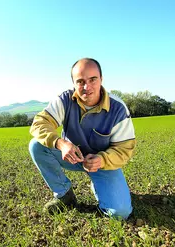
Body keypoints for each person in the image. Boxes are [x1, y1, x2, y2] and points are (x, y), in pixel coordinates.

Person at [28, 58, 136, 219]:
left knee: (119, 214)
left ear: (101, 79)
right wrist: (61, 143)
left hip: (102, 163)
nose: (87, 87)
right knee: (37, 145)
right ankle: (65, 195)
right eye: (80, 82)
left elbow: (125, 149)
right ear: (74, 83)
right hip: (71, 156)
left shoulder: (118, 108)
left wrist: (102, 159)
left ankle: (99, 184)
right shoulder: (65, 100)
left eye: (93, 79)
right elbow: (39, 123)